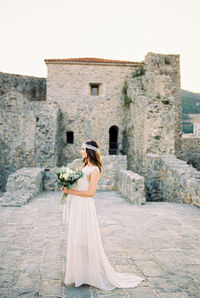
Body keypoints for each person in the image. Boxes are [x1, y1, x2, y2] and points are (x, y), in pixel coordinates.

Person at [61, 140, 144, 291]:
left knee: (85, 239)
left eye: (82, 149)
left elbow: (90, 193)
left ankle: (89, 274)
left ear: (89, 151)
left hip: (85, 207)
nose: (80, 152)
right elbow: (81, 185)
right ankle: (79, 273)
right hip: (77, 206)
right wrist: (69, 184)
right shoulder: (84, 167)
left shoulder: (94, 171)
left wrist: (70, 192)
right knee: (77, 239)